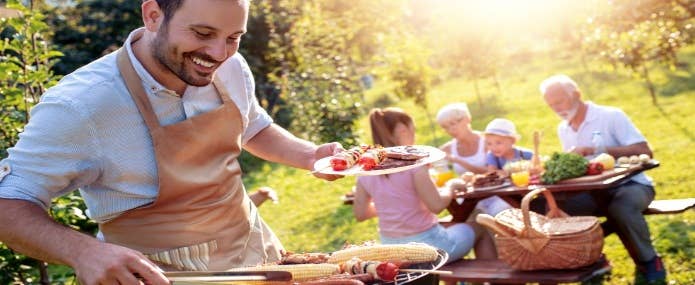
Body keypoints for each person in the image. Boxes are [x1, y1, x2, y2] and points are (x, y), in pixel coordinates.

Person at [0, 1, 342, 284]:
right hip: (162, 277)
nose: (218, 53)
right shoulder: (82, 104)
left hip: (258, 257)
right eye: (203, 33)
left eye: (233, 37)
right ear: (152, 16)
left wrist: (310, 155)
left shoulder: (230, 66)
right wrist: (82, 251)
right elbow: (8, 204)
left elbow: (253, 126)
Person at [540, 74, 666, 283]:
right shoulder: (563, 129)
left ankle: (650, 261)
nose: (556, 108)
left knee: (621, 208)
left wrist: (598, 148)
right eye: (551, 105)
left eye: (559, 101)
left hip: (632, 185)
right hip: (594, 191)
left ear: (577, 95)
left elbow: (645, 150)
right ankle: (592, 262)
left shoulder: (610, 116)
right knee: (554, 211)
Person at [352, 107, 497, 264]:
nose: (414, 137)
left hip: (391, 251)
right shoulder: (414, 165)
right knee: (479, 227)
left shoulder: (365, 169)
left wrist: (392, 205)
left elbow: (361, 213)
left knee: (453, 223)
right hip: (430, 248)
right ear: (402, 130)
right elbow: (436, 205)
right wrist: (452, 186)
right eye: (413, 131)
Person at [436, 103, 488, 175]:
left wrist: (458, 161)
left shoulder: (487, 141)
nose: (450, 130)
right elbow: (441, 175)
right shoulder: (446, 150)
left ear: (467, 119)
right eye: (445, 127)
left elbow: (493, 171)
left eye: (453, 124)